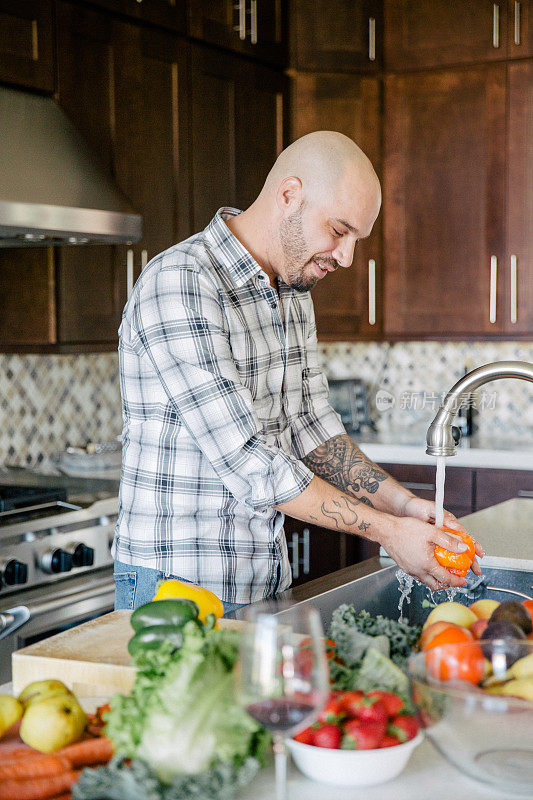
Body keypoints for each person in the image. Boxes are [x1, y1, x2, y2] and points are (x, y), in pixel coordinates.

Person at [112, 130, 483, 614]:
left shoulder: (293, 293)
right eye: (339, 230)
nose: (347, 257)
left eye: (357, 239)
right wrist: (391, 534)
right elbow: (252, 465)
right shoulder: (182, 283)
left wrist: (401, 505)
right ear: (289, 195)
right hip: (174, 588)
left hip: (263, 581)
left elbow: (312, 428)